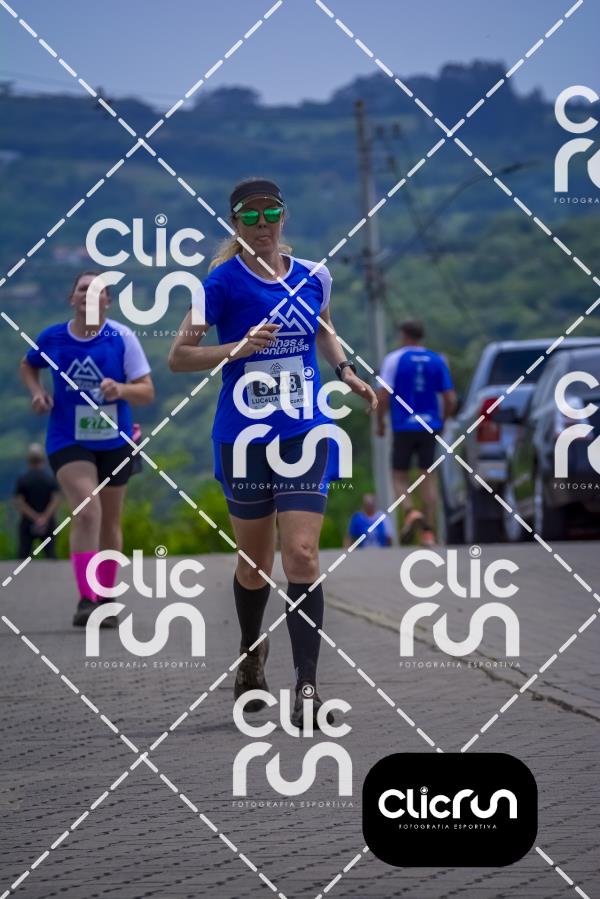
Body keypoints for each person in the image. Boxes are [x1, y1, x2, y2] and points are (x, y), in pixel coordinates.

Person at [169, 177, 377, 728]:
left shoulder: (314, 276)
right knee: (255, 564)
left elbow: (324, 330)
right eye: (250, 216)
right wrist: (236, 348)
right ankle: (250, 650)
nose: (261, 225)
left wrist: (345, 370)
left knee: (302, 555)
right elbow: (179, 356)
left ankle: (307, 688)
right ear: (235, 223)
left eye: (270, 214)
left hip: (303, 433)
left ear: (284, 217)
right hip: (243, 439)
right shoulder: (221, 283)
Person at [20, 271, 155, 626]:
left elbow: (146, 391)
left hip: (115, 440)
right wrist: (37, 392)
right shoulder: (53, 337)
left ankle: (106, 597)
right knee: (87, 512)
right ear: (73, 298)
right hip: (68, 438)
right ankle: (86, 599)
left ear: (107, 301)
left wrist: (121, 390)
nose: (89, 294)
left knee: (109, 519)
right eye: (83, 289)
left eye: (98, 290)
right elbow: (29, 365)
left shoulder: (122, 338)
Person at [377, 320, 456, 546]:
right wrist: (443, 421)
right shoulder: (436, 360)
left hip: (403, 426)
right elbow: (450, 398)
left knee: (399, 476)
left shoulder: (394, 359)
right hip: (430, 425)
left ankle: (410, 511)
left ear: (404, 335)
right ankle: (428, 533)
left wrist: (380, 422)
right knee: (428, 478)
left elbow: (383, 395)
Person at [14, 443, 61, 559]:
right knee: (51, 555)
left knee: (23, 555)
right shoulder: (50, 479)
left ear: (28, 460)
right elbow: (56, 500)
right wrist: (44, 517)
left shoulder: (23, 480)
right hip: (48, 522)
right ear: (43, 459)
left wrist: (35, 517)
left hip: (27, 522)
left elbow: (19, 502)